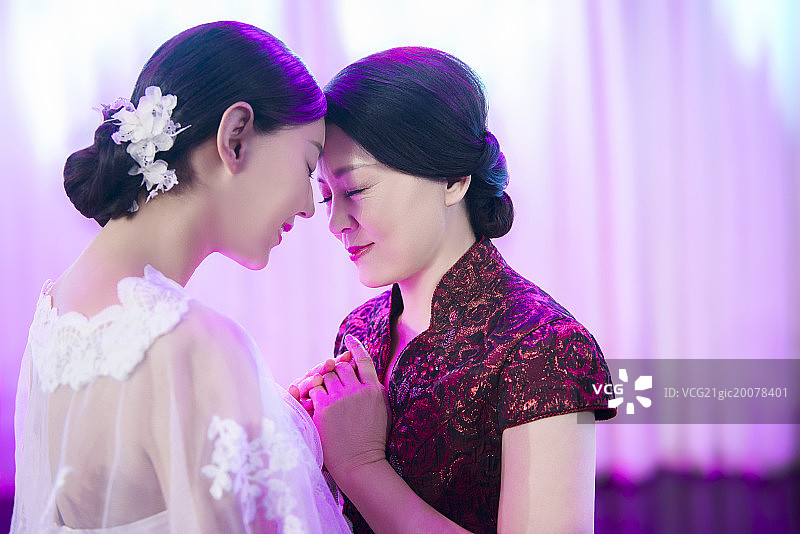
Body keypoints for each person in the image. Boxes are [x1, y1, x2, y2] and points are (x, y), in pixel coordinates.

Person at [11, 21, 350, 533]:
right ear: (235, 138)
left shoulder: (54, 315)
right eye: (307, 166)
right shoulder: (198, 347)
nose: (309, 205)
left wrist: (279, 426)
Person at [290, 47, 616, 533]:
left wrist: (360, 466)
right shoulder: (359, 330)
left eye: (354, 190)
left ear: (453, 180)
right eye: (326, 195)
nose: (336, 221)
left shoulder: (544, 348)